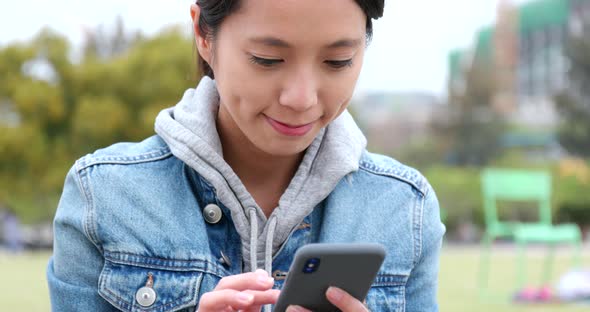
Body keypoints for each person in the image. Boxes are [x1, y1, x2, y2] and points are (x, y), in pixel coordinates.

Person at [46, 0, 445, 311]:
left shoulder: (404, 209)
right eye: (267, 60)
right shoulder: (105, 196)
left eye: (337, 62)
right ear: (204, 34)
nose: (301, 99)